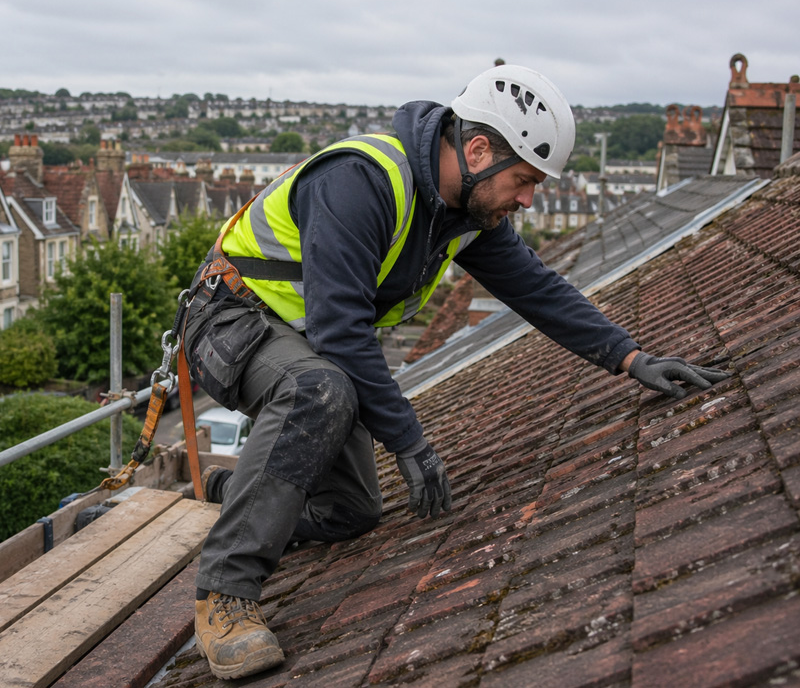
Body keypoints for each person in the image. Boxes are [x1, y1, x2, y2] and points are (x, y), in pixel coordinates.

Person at [183, 64, 729, 680]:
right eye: (524, 180)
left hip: (304, 345)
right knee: (320, 390)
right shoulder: (359, 181)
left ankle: (232, 492)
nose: (528, 200)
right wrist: (409, 442)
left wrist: (632, 358)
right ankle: (225, 594)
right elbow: (341, 333)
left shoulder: (464, 214)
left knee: (353, 512)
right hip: (230, 320)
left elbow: (538, 290)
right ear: (477, 151)